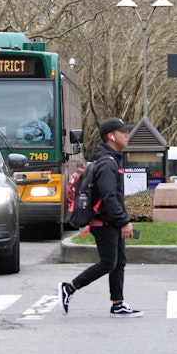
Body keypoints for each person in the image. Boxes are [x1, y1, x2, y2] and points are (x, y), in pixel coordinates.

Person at [58, 117, 142, 317]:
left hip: (110, 221)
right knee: (108, 262)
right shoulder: (107, 163)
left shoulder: (111, 159)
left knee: (119, 262)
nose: (127, 135)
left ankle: (118, 303)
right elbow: (109, 196)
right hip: (104, 222)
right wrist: (124, 221)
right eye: (123, 132)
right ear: (111, 136)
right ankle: (69, 287)